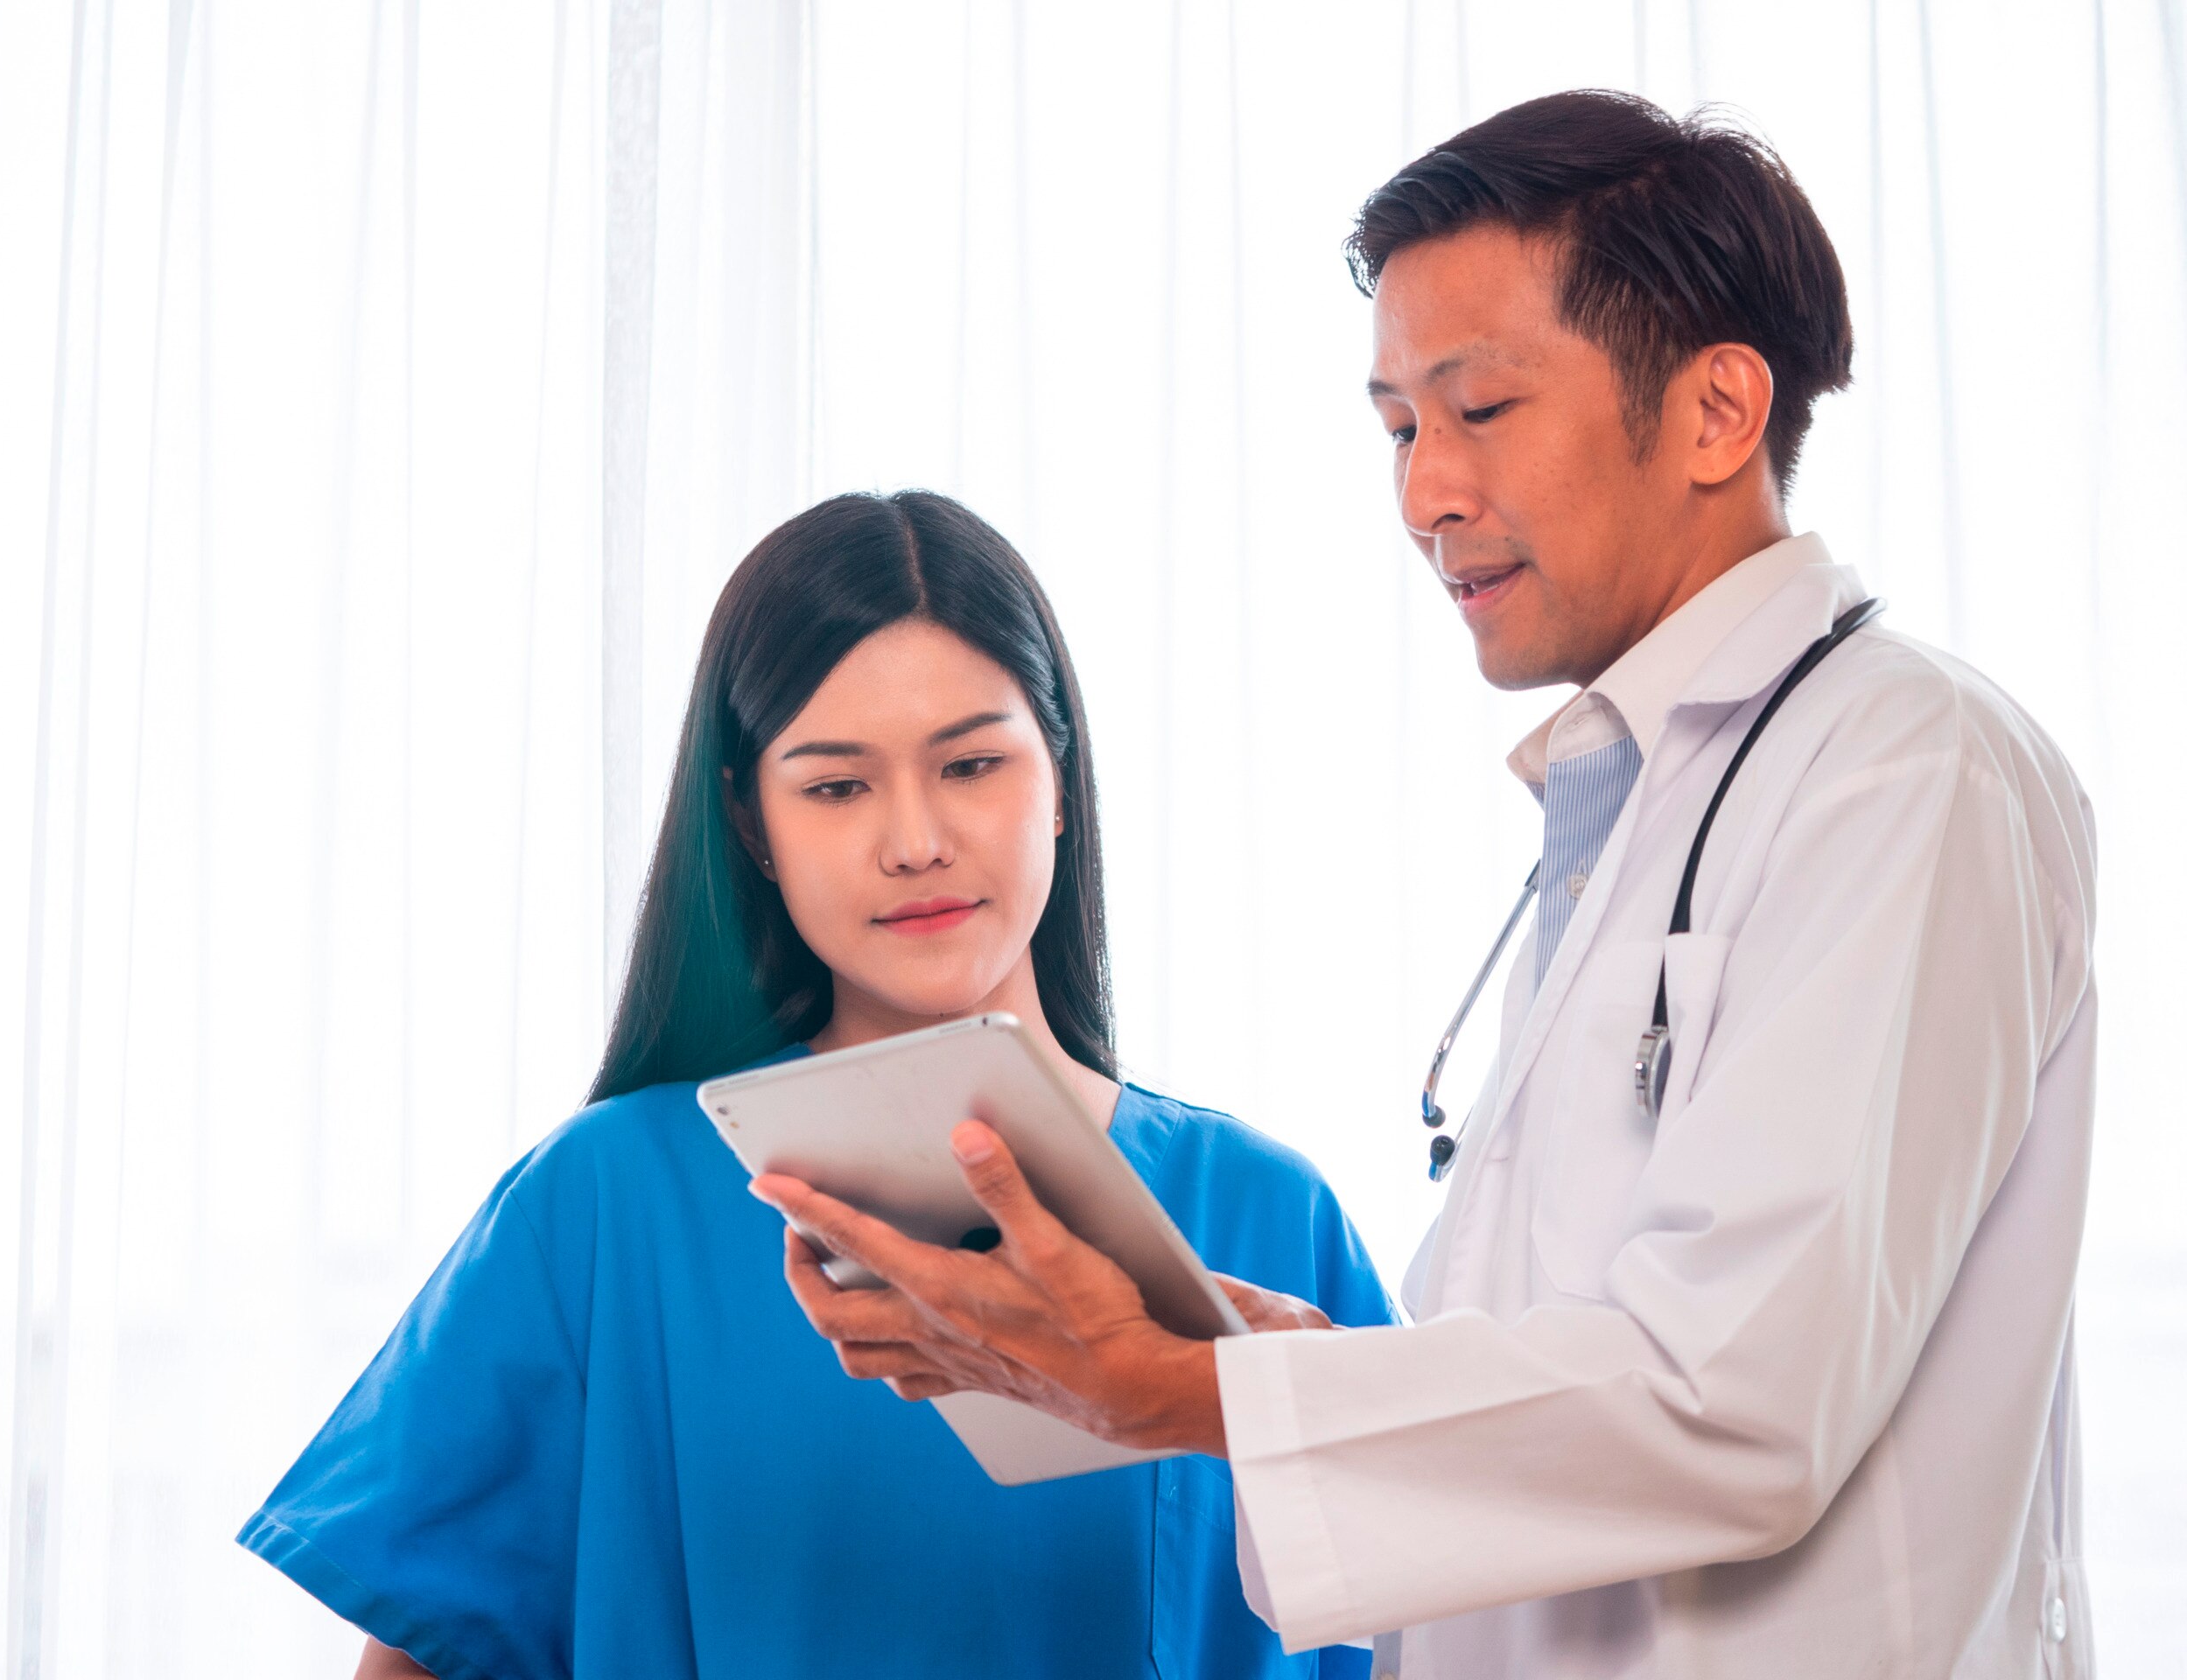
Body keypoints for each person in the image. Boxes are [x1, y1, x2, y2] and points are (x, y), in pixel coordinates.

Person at [756, 92, 2097, 1678]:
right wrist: (1241, 1352)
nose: (1423, 497)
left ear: (1719, 410)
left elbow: (1732, 1404)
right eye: (1399, 428)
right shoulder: (1636, 795)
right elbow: (1568, 1371)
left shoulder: (1906, 769)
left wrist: (1160, 1388)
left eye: (1480, 412)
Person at [237, 490, 1398, 1679]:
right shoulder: (603, 1209)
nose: (915, 839)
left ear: (1062, 778)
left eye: (974, 764)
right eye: (837, 786)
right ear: (751, 822)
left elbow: (1463, 1616)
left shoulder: (1267, 1215)